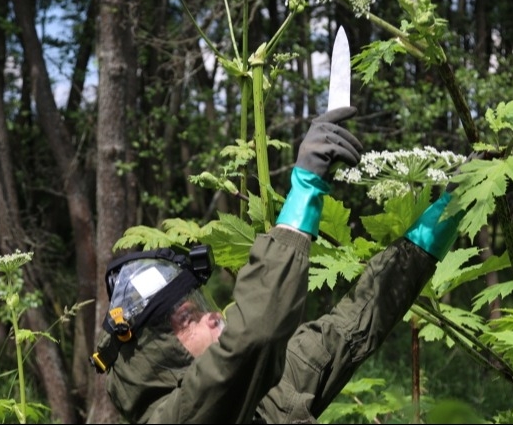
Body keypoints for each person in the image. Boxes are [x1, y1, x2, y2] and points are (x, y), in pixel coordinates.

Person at [90, 106, 465, 423]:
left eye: (199, 305)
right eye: (186, 319)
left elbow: (354, 324)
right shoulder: (176, 417)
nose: (210, 316)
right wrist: (304, 190)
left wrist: (452, 207)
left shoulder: (267, 386)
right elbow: (253, 336)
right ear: (157, 353)